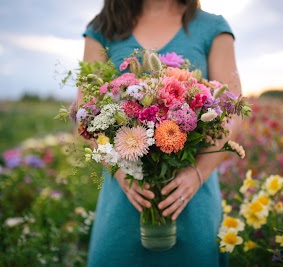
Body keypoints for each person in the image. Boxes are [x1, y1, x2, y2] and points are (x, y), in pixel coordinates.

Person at [80, 0, 242, 266]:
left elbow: (232, 109)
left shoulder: (212, 28)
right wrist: (121, 173)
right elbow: (87, 116)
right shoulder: (102, 29)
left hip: (190, 195)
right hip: (125, 199)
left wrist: (197, 173)